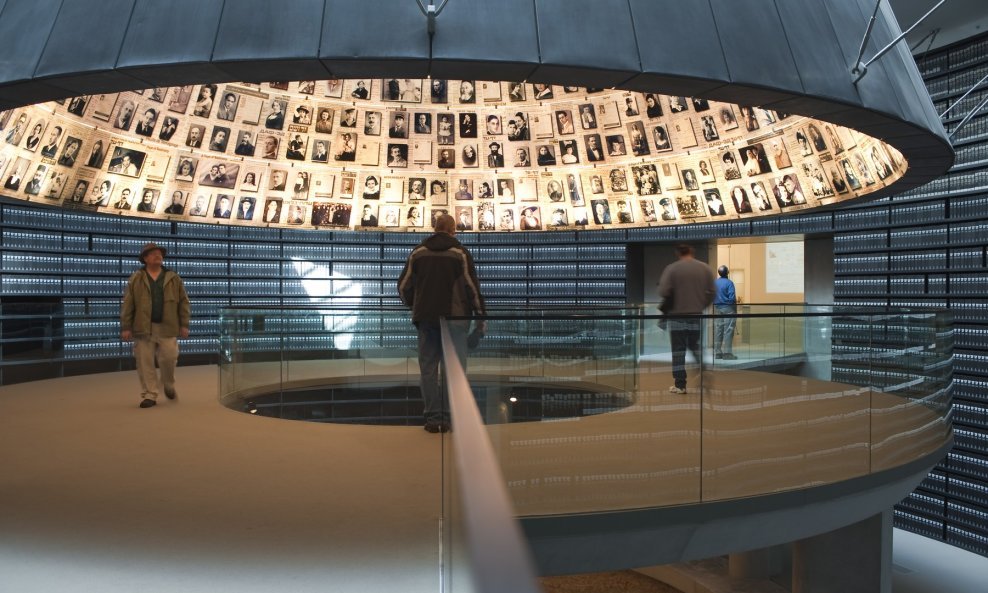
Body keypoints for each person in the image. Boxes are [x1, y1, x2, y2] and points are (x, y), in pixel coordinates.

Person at [398, 213, 486, 433]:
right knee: (454, 371)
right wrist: (481, 320)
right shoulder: (461, 254)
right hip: (456, 321)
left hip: (426, 319)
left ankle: (433, 419)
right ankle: (449, 417)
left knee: (428, 369)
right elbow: (473, 290)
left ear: (434, 228)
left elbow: (402, 287)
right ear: (453, 230)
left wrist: (415, 305)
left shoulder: (418, 253)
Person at [120, 242, 190, 409]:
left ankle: (168, 383)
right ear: (145, 259)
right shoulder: (136, 278)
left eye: (159, 253)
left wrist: (184, 324)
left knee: (170, 357)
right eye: (153, 254)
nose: (158, 256)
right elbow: (128, 304)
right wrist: (126, 326)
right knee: (145, 363)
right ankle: (150, 394)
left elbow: (183, 302)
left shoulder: (173, 277)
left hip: (167, 326)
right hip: (143, 327)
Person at [658, 244, 715, 394]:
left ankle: (680, 384)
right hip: (696, 315)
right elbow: (713, 292)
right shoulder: (705, 268)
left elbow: (663, 291)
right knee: (695, 345)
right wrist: (702, 305)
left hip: (677, 316)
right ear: (692, 252)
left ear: (678, 253)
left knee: (678, 350)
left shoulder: (672, 269)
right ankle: (703, 368)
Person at [713, 265, 737, 360]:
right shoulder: (729, 283)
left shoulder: (714, 283)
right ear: (727, 273)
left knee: (718, 330)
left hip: (717, 308)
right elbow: (732, 298)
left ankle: (718, 353)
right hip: (728, 308)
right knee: (728, 331)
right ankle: (727, 353)